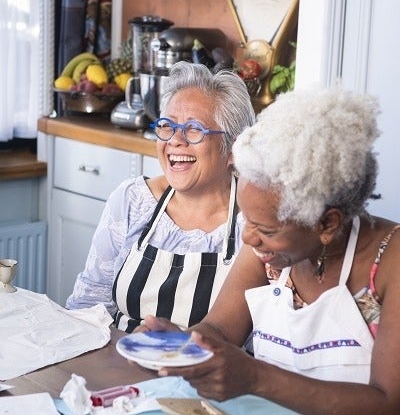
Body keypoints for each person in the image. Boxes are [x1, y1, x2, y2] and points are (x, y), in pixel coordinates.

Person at [139, 86, 400, 413]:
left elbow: (388, 403)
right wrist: (178, 344)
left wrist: (256, 378)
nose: (248, 238)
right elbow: (219, 330)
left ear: (327, 224)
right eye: (248, 220)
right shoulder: (270, 252)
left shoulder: (392, 260)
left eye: (266, 229)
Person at [65, 60, 256, 333]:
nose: (175, 141)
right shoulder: (132, 201)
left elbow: (259, 342)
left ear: (232, 148)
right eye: (167, 126)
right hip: (117, 362)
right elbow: (88, 305)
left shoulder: (252, 222)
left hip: (206, 372)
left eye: (194, 129)